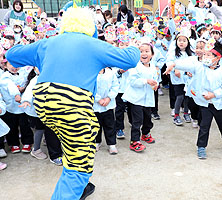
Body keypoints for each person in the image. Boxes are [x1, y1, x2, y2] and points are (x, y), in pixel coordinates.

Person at [6, 7, 140, 200]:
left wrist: (38, 48)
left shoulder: (48, 43)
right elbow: (130, 59)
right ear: (90, 26)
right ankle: (73, 188)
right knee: (80, 162)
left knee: (75, 144)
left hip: (43, 101)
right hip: (71, 103)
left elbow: (12, 55)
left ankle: (81, 186)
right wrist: (133, 44)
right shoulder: (92, 44)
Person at [165, 40, 222, 159]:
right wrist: (174, 65)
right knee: (204, 125)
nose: (205, 57)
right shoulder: (200, 66)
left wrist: (214, 94)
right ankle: (201, 147)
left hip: (219, 103)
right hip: (205, 103)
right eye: (205, 54)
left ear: (217, 58)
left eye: (208, 55)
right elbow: (187, 65)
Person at [122, 39, 157, 153]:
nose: (144, 53)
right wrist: (146, 81)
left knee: (148, 119)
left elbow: (155, 79)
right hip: (136, 99)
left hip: (148, 98)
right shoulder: (135, 66)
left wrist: (156, 84)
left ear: (152, 54)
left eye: (147, 51)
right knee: (137, 121)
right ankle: (135, 141)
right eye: (141, 51)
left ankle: (146, 134)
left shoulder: (153, 66)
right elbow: (133, 82)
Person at [166, 32, 193, 126]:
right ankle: (176, 115)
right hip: (177, 79)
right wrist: (174, 69)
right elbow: (169, 62)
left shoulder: (190, 53)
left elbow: (192, 64)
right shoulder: (173, 52)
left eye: (184, 41)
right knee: (180, 96)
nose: (181, 43)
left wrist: (190, 71)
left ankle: (186, 112)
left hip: (187, 79)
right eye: (179, 40)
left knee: (187, 96)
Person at [93, 67, 119, 154]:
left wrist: (109, 98)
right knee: (96, 125)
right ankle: (97, 142)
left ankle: (111, 144)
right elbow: (90, 87)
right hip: (95, 105)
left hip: (108, 105)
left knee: (110, 125)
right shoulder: (91, 72)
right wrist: (98, 99)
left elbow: (115, 86)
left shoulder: (110, 73)